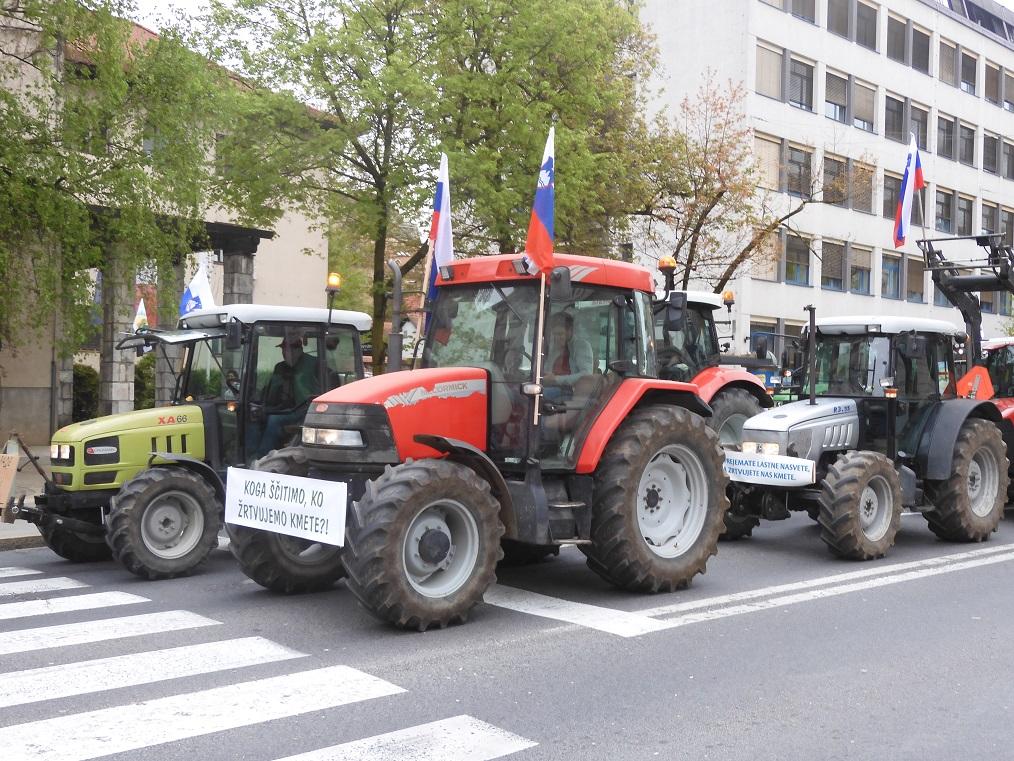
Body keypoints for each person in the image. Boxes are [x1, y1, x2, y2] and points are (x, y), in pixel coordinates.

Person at [251, 330, 320, 459]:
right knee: (253, 417)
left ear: (297, 350)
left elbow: (312, 394)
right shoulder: (280, 367)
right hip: (283, 408)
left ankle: (262, 458)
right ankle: (249, 455)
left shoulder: (313, 364)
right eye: (283, 349)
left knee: (274, 421)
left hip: (304, 410)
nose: (284, 353)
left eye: (286, 349)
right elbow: (270, 391)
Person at [543, 312, 594, 397]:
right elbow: (547, 370)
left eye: (560, 334)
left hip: (572, 391)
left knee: (539, 395)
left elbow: (586, 374)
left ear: (570, 331)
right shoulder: (554, 348)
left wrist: (556, 379)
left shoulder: (581, 346)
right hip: (551, 387)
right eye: (554, 334)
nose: (556, 338)